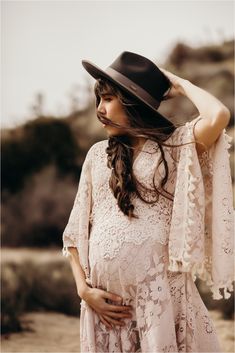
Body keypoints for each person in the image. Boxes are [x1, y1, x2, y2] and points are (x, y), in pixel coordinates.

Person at [62, 51, 234, 352]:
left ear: (133, 102)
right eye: (98, 101)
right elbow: (76, 232)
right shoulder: (96, 155)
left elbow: (218, 115)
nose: (100, 110)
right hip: (106, 309)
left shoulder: (175, 147)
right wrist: (84, 291)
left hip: (160, 300)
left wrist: (178, 83)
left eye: (109, 99)